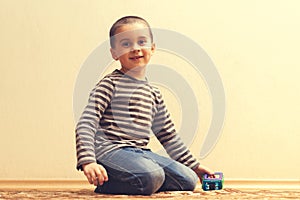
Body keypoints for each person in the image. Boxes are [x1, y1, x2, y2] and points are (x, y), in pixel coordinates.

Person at [75, 16, 215, 195]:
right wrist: (88, 161)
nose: (135, 49)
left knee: (187, 179)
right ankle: (110, 183)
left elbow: (169, 136)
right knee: (152, 175)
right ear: (114, 53)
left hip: (139, 152)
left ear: (152, 48)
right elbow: (86, 123)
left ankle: (144, 180)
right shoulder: (108, 85)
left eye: (141, 42)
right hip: (110, 152)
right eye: (126, 44)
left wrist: (195, 166)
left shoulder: (153, 93)